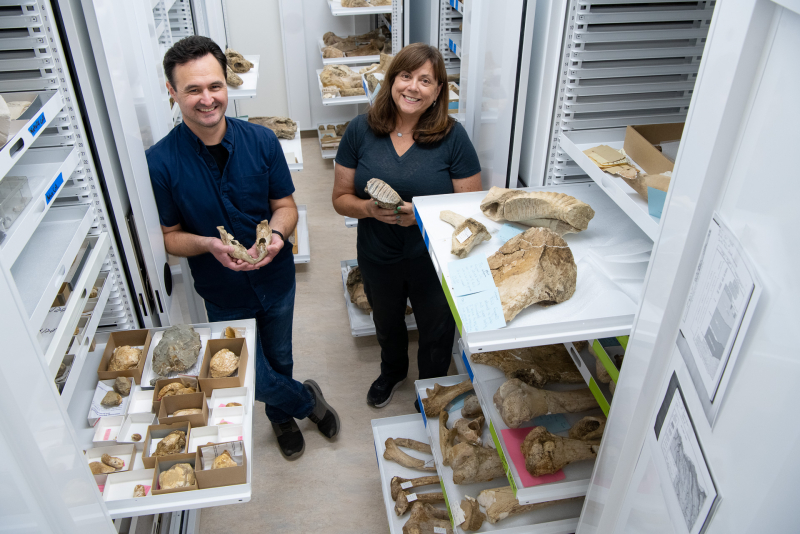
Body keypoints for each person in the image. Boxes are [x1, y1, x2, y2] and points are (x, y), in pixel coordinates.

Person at [146, 36, 339, 460]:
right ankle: (306, 402)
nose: (207, 99)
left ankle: (281, 417)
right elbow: (169, 235)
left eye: (214, 86)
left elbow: (284, 207)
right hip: (222, 289)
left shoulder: (262, 141)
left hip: (276, 277)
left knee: (280, 356)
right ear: (172, 91)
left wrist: (277, 236)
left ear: (226, 84)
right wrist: (208, 245)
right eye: (192, 89)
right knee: (247, 373)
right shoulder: (159, 161)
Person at [332, 43, 482, 409]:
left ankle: (431, 386)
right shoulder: (360, 130)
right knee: (386, 321)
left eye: (425, 80)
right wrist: (367, 208)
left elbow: (470, 210)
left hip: (432, 258)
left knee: (436, 328)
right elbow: (339, 199)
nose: (413, 87)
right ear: (392, 80)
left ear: (437, 92)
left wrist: (424, 214)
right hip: (377, 253)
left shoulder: (453, 137)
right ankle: (393, 371)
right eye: (405, 76)